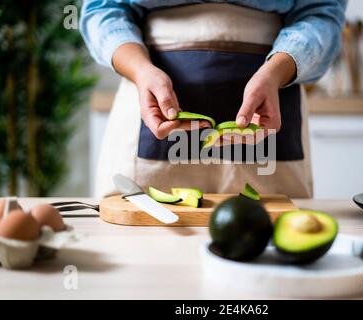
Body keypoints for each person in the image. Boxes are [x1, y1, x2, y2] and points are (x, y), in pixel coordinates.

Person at [80, 0, 347, 199]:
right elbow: (102, 10)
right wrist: (141, 70)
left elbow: (321, 13)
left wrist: (276, 72)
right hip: (147, 96)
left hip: (275, 90)